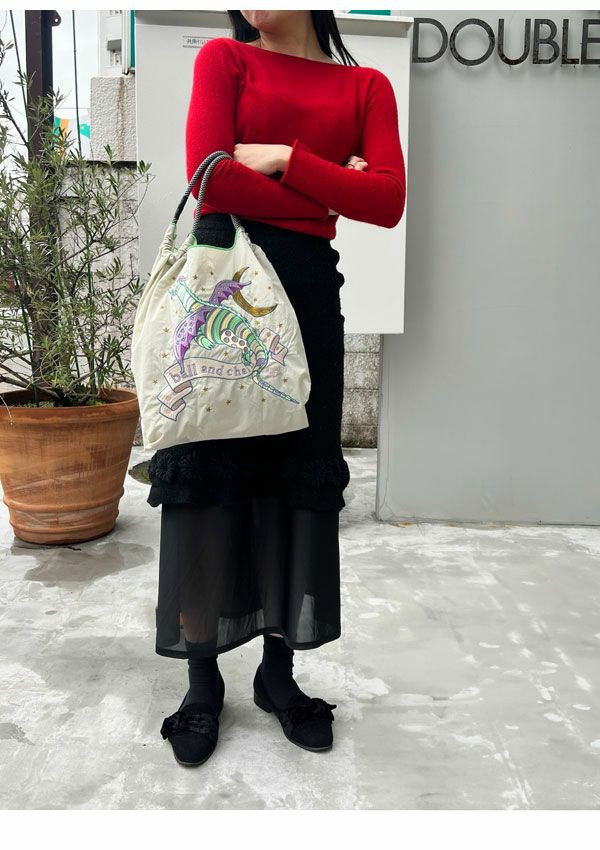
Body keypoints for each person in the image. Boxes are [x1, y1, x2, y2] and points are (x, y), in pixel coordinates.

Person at [148, 9, 406, 767]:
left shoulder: (366, 86)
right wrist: (329, 192)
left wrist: (284, 159)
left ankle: (277, 674)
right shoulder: (226, 61)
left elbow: (387, 201)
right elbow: (211, 180)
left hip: (309, 303)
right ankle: (202, 683)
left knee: (296, 481)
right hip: (222, 298)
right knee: (208, 475)